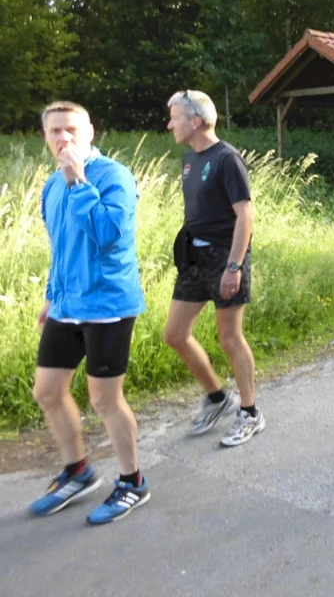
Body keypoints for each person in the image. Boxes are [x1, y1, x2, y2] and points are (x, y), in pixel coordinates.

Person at [29, 101, 150, 524]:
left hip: (108, 305)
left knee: (104, 400)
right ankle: (78, 471)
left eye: (70, 130)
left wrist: (78, 181)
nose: (63, 138)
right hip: (68, 304)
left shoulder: (112, 175)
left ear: (90, 133)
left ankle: (133, 481)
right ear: (45, 137)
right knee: (46, 390)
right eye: (54, 132)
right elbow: (62, 249)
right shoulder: (51, 186)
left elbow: (107, 236)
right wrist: (51, 295)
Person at [163, 90, 265, 447]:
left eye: (175, 116)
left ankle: (250, 412)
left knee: (229, 337)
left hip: (226, 257)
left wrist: (234, 266)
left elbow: (245, 215)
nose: (170, 123)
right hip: (194, 257)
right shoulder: (189, 159)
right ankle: (218, 398)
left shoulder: (227, 159)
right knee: (174, 334)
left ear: (196, 121)